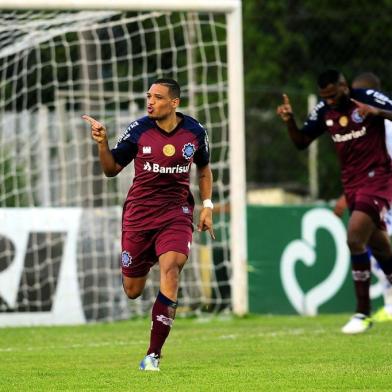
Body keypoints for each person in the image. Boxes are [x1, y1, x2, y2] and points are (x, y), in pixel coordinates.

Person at [82, 78, 215, 370]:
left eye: (157, 97)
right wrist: (103, 144)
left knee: (172, 269)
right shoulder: (139, 129)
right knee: (132, 290)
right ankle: (148, 257)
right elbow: (111, 169)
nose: (150, 102)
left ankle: (152, 355)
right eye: (148, 96)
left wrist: (207, 206)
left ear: (174, 103)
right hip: (139, 217)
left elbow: (204, 169)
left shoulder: (194, 131)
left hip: (175, 214)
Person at [276, 69, 392, 334]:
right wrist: (289, 121)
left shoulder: (367, 98)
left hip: (378, 179)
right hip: (351, 185)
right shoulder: (323, 110)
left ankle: (363, 313)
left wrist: (377, 113)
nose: (328, 101)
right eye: (324, 97)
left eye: (332, 95)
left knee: (354, 239)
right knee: (381, 248)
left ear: (344, 86)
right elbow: (302, 141)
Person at [333, 72, 392, 322]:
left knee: (375, 243)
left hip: (382, 190)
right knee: (376, 244)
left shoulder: (381, 124)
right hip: (376, 190)